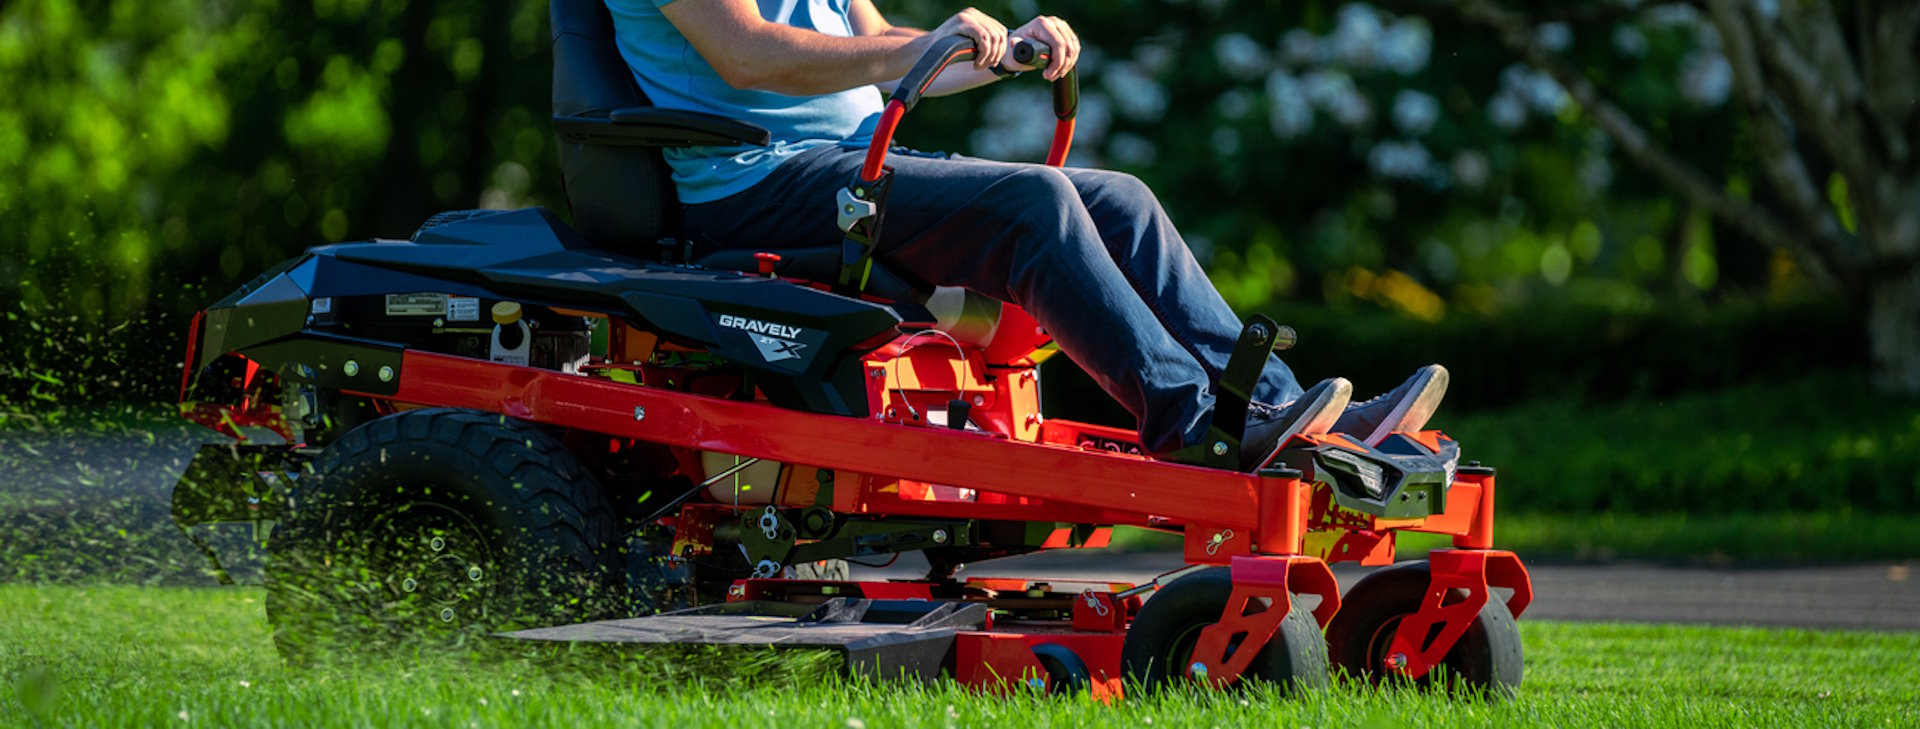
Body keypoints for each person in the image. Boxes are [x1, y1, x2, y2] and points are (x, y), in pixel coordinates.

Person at [605, 0, 1449, 470]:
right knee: (1033, 203)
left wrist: (1004, 53)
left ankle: (1274, 406)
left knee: (1118, 196)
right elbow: (747, 57)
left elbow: (892, 52)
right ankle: (1192, 427)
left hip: (850, 164)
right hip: (756, 184)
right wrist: (919, 51)